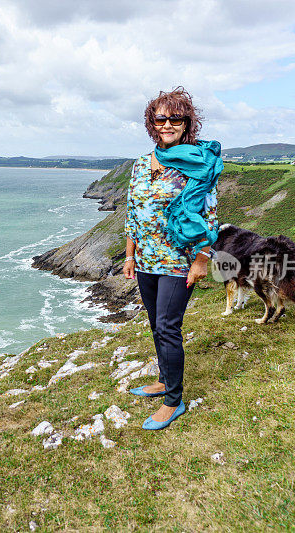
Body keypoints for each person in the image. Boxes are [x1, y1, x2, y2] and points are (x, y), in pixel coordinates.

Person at [123, 87, 222, 430]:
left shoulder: (199, 163)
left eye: (174, 118)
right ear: (152, 123)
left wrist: (202, 259)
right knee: (155, 324)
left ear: (186, 123)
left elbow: (209, 217)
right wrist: (129, 254)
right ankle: (165, 380)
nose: (167, 124)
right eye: (160, 118)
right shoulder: (139, 164)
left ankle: (173, 400)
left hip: (179, 260)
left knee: (168, 327)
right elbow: (134, 211)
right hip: (147, 259)